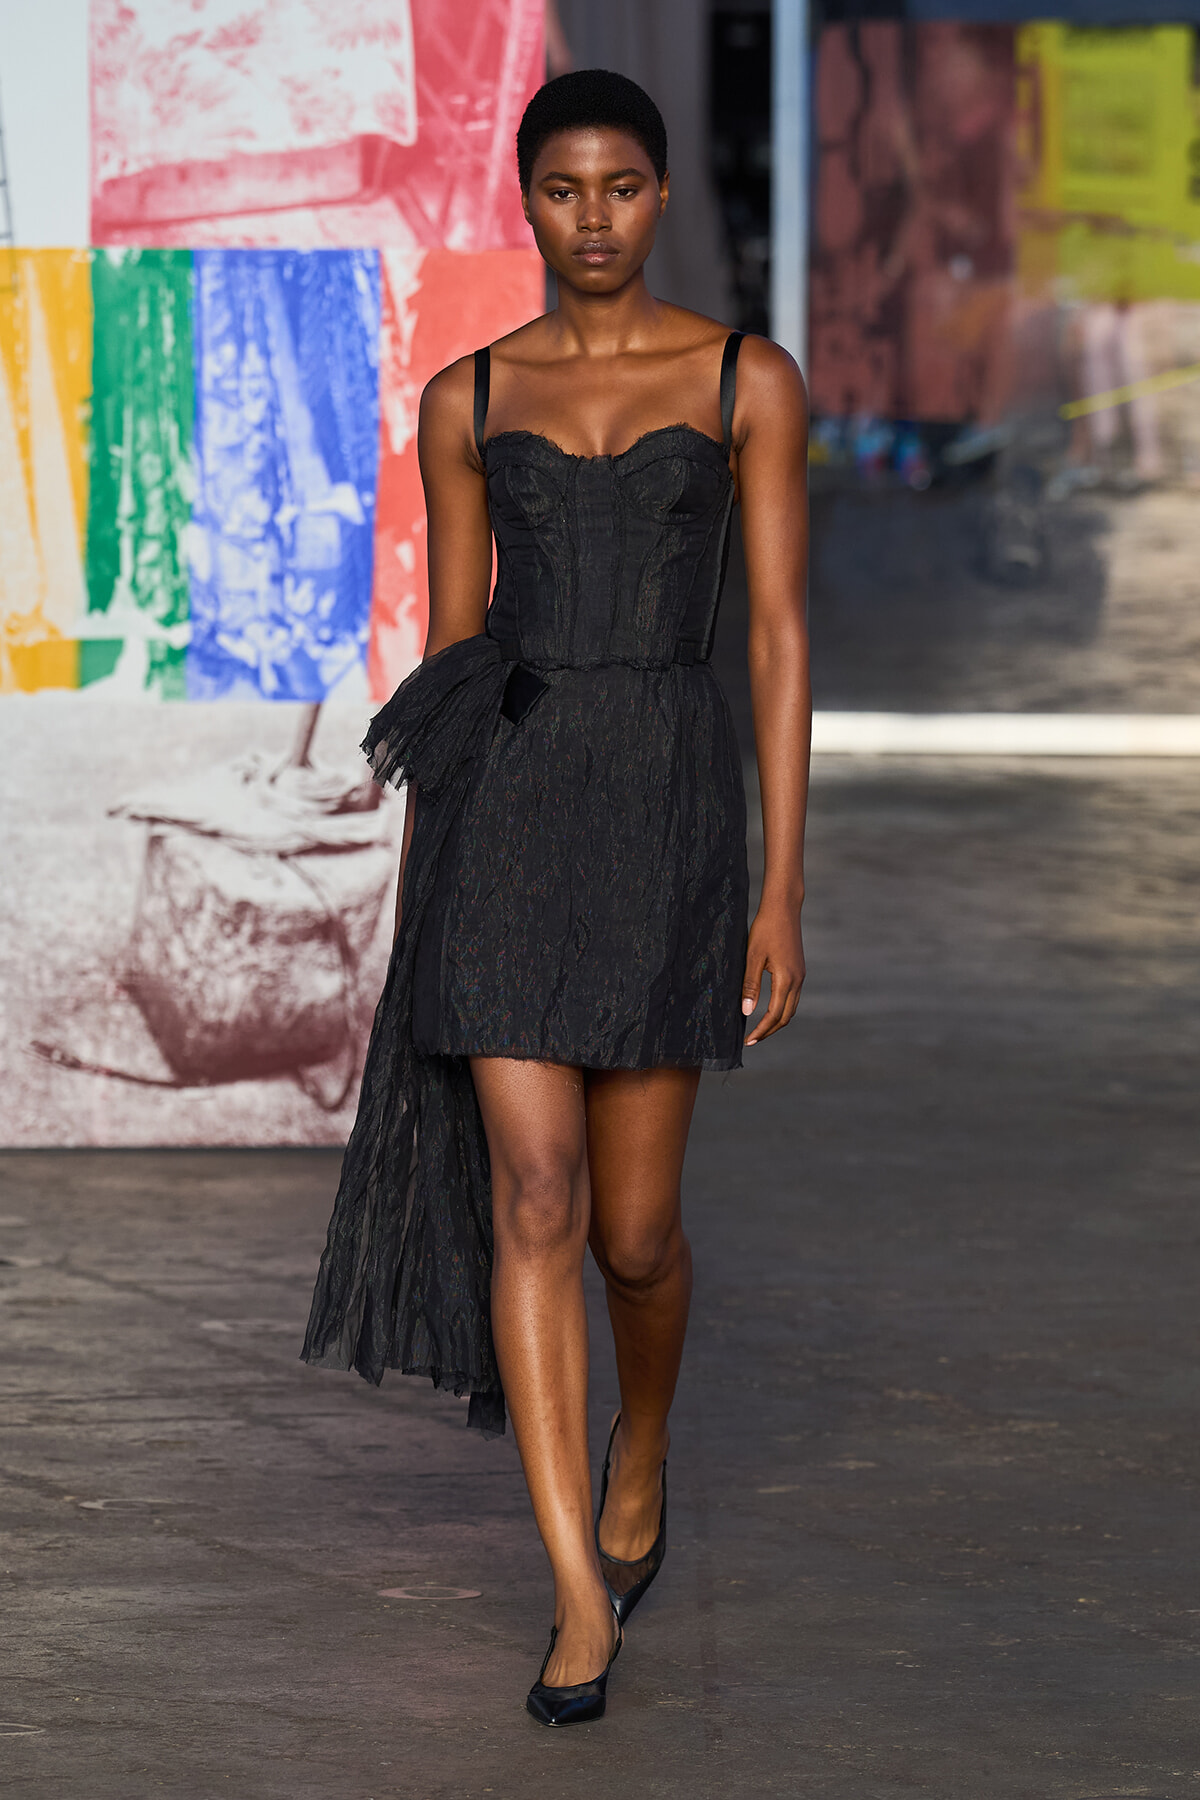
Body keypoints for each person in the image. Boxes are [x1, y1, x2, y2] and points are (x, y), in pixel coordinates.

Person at [302, 69, 811, 1727]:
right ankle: (576, 1597)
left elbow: (780, 641)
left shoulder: (746, 379)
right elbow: (456, 658)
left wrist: (784, 884)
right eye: (562, 189)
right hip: (507, 820)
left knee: (639, 1234)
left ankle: (642, 1438)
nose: (591, 218)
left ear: (662, 199)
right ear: (526, 202)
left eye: (621, 188)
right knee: (537, 1199)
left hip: (666, 806)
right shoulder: (467, 396)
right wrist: (418, 886)